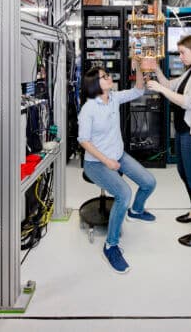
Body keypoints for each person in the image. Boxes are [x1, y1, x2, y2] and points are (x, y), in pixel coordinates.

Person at [78, 63, 156, 274]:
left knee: (149, 182)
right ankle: (110, 246)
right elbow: (84, 141)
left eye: (107, 75)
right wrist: (107, 161)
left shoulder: (114, 98)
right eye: (104, 77)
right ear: (95, 84)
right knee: (124, 193)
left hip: (118, 155)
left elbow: (139, 89)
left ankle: (136, 211)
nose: (109, 77)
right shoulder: (89, 109)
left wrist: (139, 65)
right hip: (96, 163)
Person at [147, 35, 191, 247]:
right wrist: (156, 69)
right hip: (182, 131)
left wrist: (160, 90)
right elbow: (169, 84)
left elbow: (188, 102)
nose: (180, 56)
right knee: (184, 174)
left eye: (182, 52)